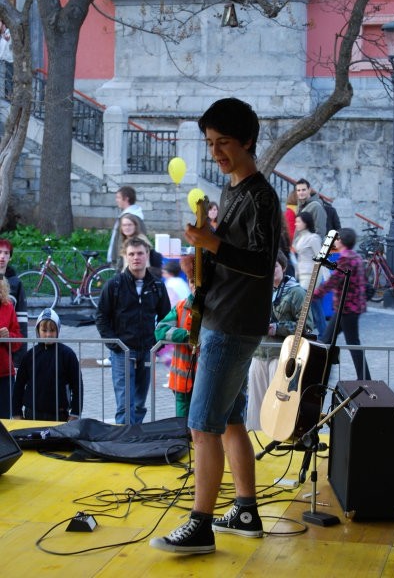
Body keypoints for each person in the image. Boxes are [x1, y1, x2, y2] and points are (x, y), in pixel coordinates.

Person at [150, 97, 281, 555]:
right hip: (223, 316)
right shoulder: (234, 191)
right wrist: (201, 257)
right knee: (227, 421)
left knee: (202, 425)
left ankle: (200, 524)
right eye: (210, 143)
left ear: (247, 140)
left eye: (223, 142)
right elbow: (233, 255)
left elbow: (263, 263)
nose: (216, 152)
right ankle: (245, 510)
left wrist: (212, 244)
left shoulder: (261, 195)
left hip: (232, 323)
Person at [96, 237, 171, 425]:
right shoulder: (114, 285)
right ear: (125, 256)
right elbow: (101, 316)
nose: (136, 257)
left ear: (147, 255)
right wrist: (115, 344)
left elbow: (166, 318)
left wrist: (157, 345)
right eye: (131, 254)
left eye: (140, 253)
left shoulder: (157, 286)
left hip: (146, 350)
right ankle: (124, 441)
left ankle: (135, 437)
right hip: (122, 351)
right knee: (124, 403)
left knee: (139, 403)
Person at [246, 249, 314, 431]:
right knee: (255, 402)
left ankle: (276, 435)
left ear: (283, 267)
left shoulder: (297, 292)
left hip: (281, 356)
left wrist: (277, 327)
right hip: (259, 353)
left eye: (274, 266)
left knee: (276, 402)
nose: (271, 270)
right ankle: (254, 437)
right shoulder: (259, 290)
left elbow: (307, 326)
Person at [313, 228, 372, 381]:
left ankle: (365, 379)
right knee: (326, 340)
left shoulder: (345, 259)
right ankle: (321, 374)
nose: (335, 241)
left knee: (352, 343)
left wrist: (314, 294)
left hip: (347, 309)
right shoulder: (356, 256)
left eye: (337, 239)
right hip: (348, 308)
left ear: (341, 242)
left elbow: (333, 282)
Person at [12, 308, 83, 421]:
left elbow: (77, 385)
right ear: (38, 331)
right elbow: (19, 386)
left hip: (59, 415)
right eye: (44, 330)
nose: (48, 334)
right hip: (32, 414)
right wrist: (16, 412)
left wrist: (75, 413)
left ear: (58, 331)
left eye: (52, 330)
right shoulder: (29, 356)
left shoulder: (68, 355)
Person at [155, 255, 196, 417]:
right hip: (182, 382)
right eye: (192, 282)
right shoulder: (181, 307)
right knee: (183, 428)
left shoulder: (218, 310)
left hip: (206, 382)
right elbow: (160, 330)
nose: (195, 287)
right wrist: (188, 335)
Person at [292, 211, 327, 340]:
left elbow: (321, 259)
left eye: (298, 221)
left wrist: (324, 278)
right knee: (312, 307)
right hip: (302, 276)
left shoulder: (313, 238)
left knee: (313, 307)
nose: (296, 224)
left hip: (312, 276)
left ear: (305, 223)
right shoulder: (299, 238)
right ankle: (319, 333)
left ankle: (323, 334)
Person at [0, 239, 28, 368]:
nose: (2, 257)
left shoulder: (16, 283)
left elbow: (21, 322)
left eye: (6, 253)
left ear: (10, 257)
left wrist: (20, 357)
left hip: (8, 351)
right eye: (0, 252)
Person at [107, 186, 146, 267]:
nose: (116, 200)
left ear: (126, 199)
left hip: (127, 261)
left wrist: (119, 260)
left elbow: (124, 241)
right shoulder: (131, 215)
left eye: (118, 197)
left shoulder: (130, 217)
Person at [0, 275, 22, 418]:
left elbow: (19, 340)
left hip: (4, 374)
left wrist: (9, 337)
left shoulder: (8, 307)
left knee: (5, 421)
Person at [0, 20, 13, 99]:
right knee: (7, 78)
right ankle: (7, 95)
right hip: (7, 60)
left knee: (8, 78)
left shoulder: (7, 34)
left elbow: (4, 48)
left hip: (9, 60)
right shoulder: (3, 35)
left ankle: (9, 95)